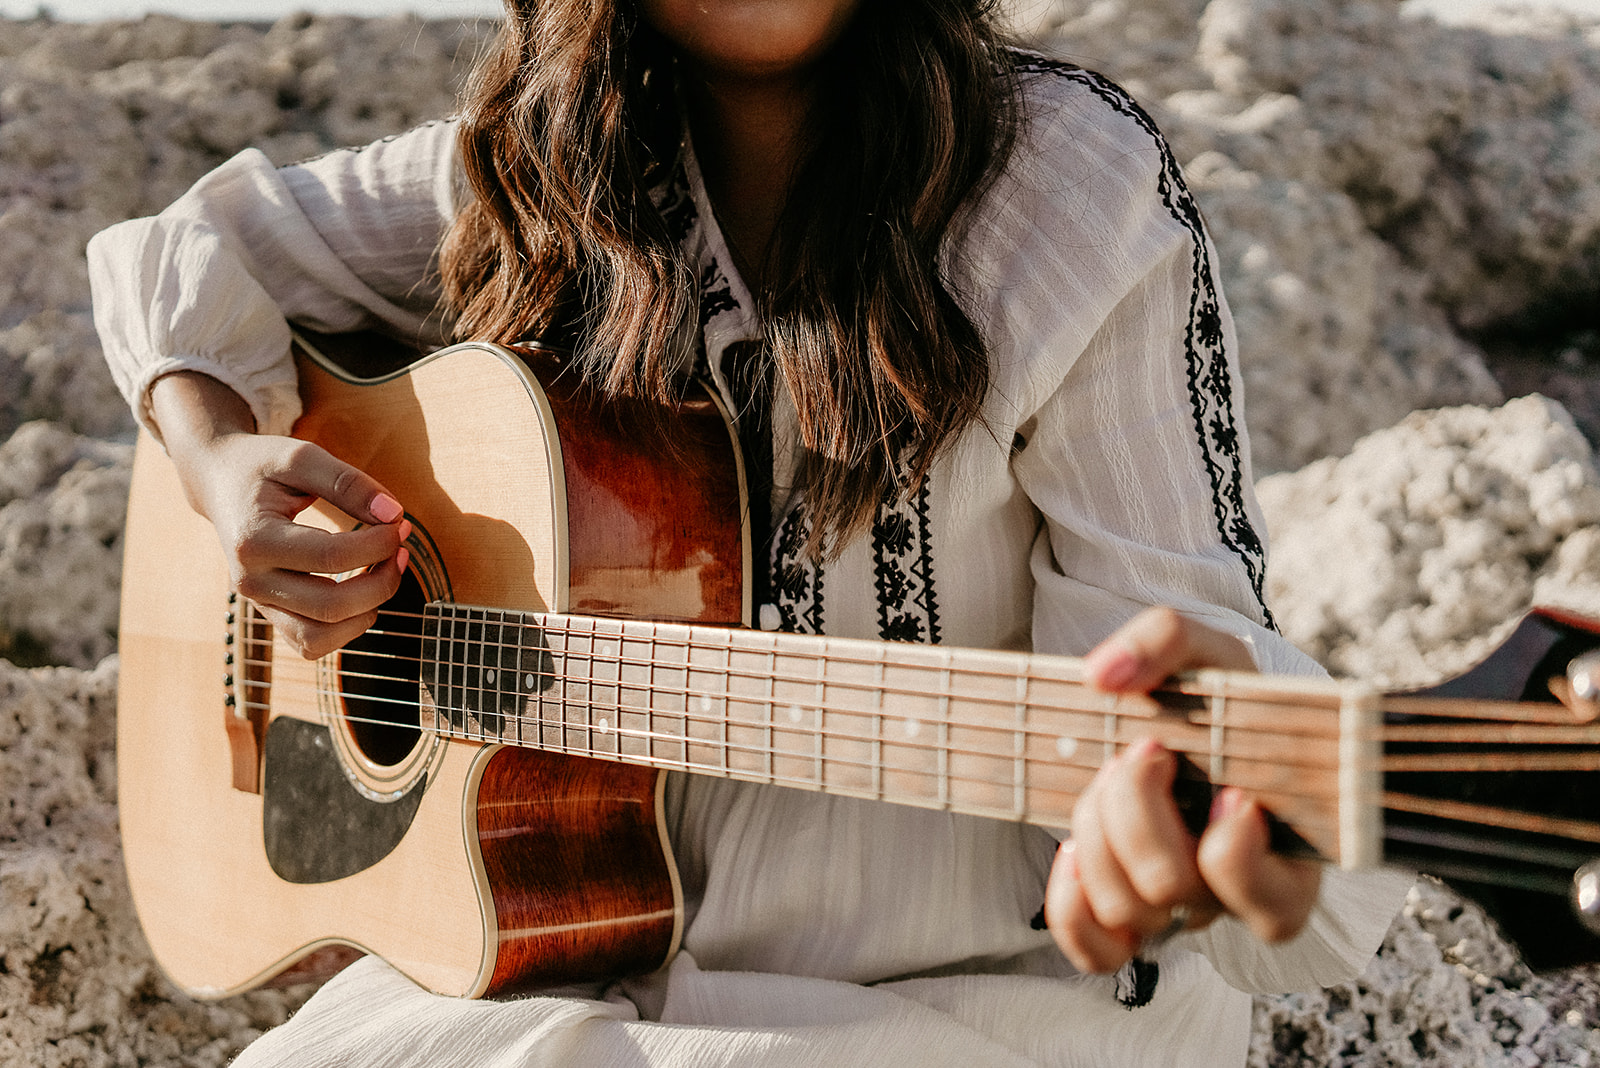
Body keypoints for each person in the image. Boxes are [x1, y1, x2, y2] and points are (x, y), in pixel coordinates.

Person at [89, 0, 1411, 1062]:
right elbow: (180, 248)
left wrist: (1236, 841)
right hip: (579, 972)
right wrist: (216, 454)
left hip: (981, 1009)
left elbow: (1182, 665)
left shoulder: (1066, 188)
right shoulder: (534, 171)